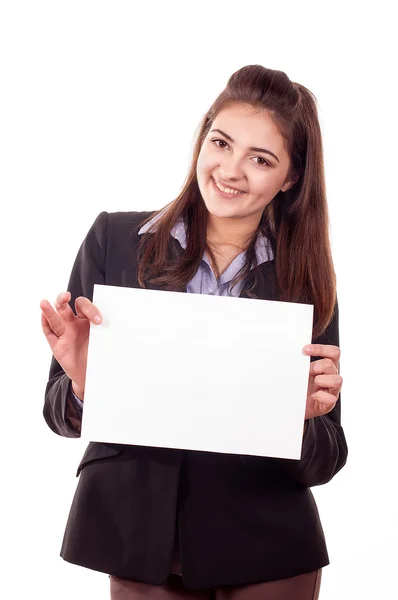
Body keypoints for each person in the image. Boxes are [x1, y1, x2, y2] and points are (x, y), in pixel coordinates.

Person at [40, 64, 348, 600]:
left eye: (261, 159)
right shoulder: (116, 239)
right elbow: (56, 413)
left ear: (291, 178)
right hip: (139, 536)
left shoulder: (305, 278)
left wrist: (298, 416)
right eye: (221, 142)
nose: (231, 169)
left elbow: (328, 457)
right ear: (202, 137)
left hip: (267, 544)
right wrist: (89, 382)